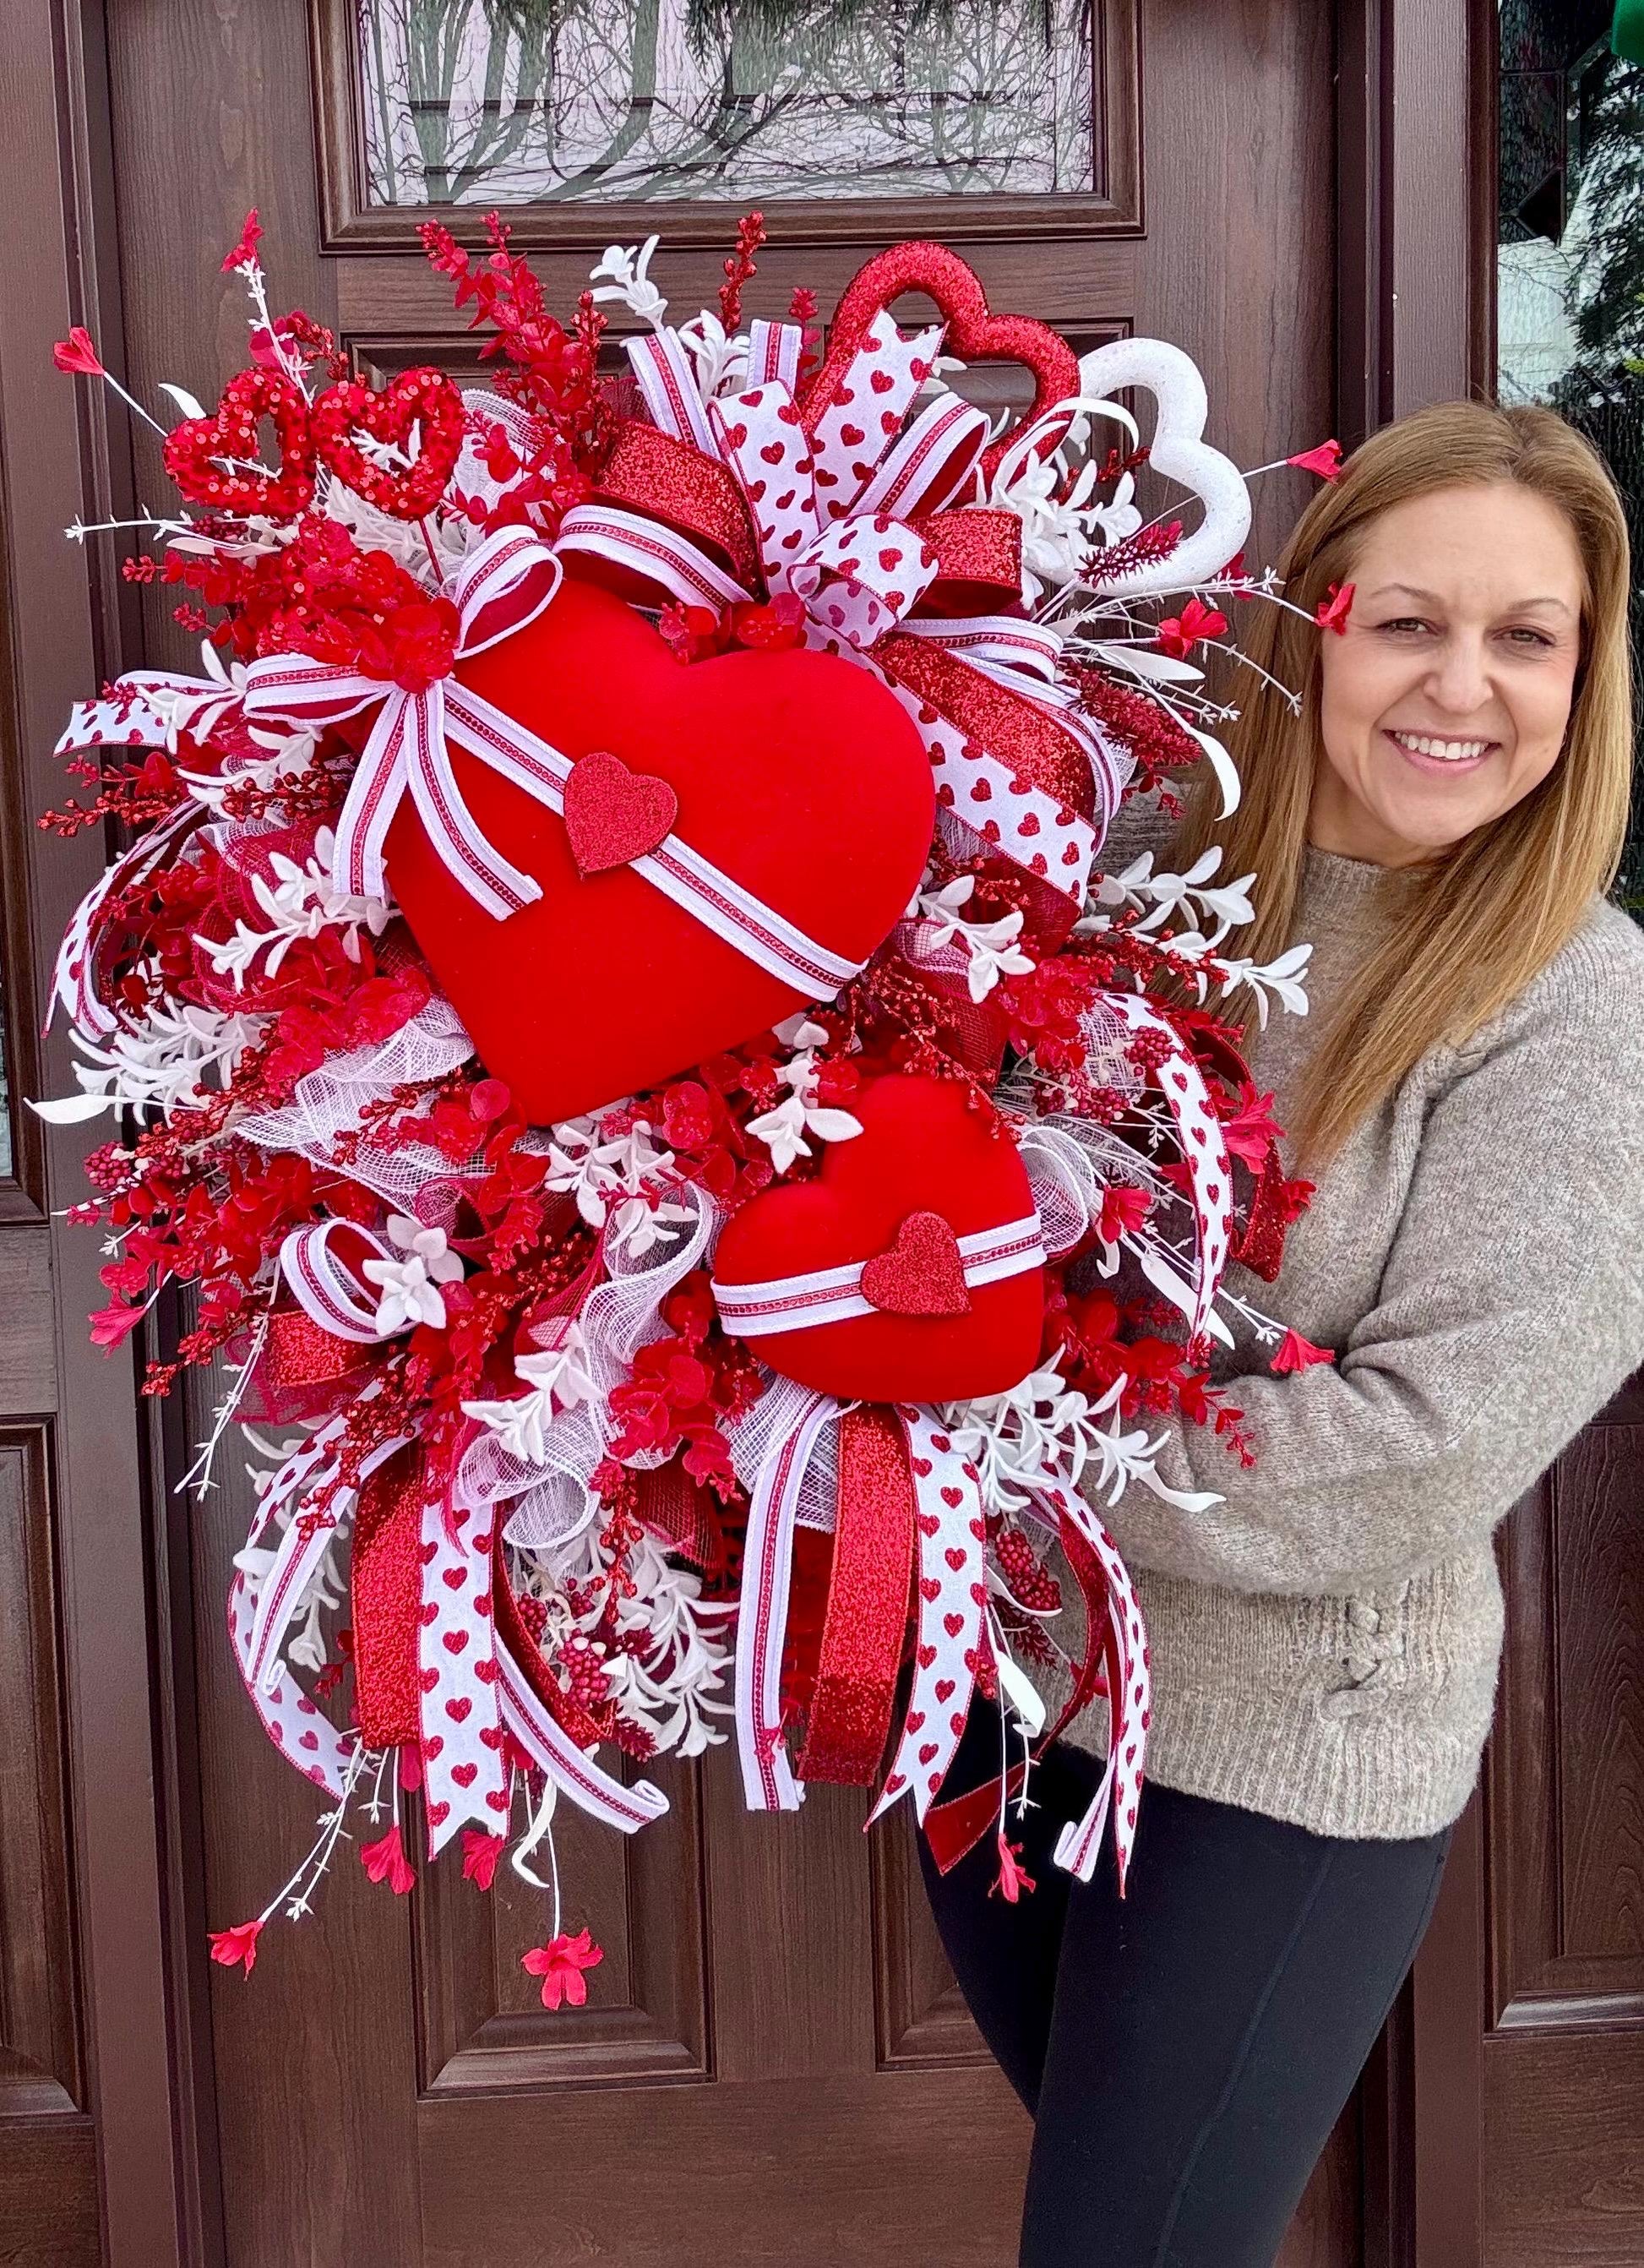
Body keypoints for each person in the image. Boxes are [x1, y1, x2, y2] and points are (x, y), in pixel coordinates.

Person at [918, 401, 1644, 2267]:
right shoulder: (1120, 888)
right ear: (1312, 622)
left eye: (1526, 635)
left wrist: (971, 1434)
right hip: (1001, 1702)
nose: (1462, 685)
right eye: (1409, 620)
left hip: (1283, 1755)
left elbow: (1409, 1452)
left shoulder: (1579, 1007)